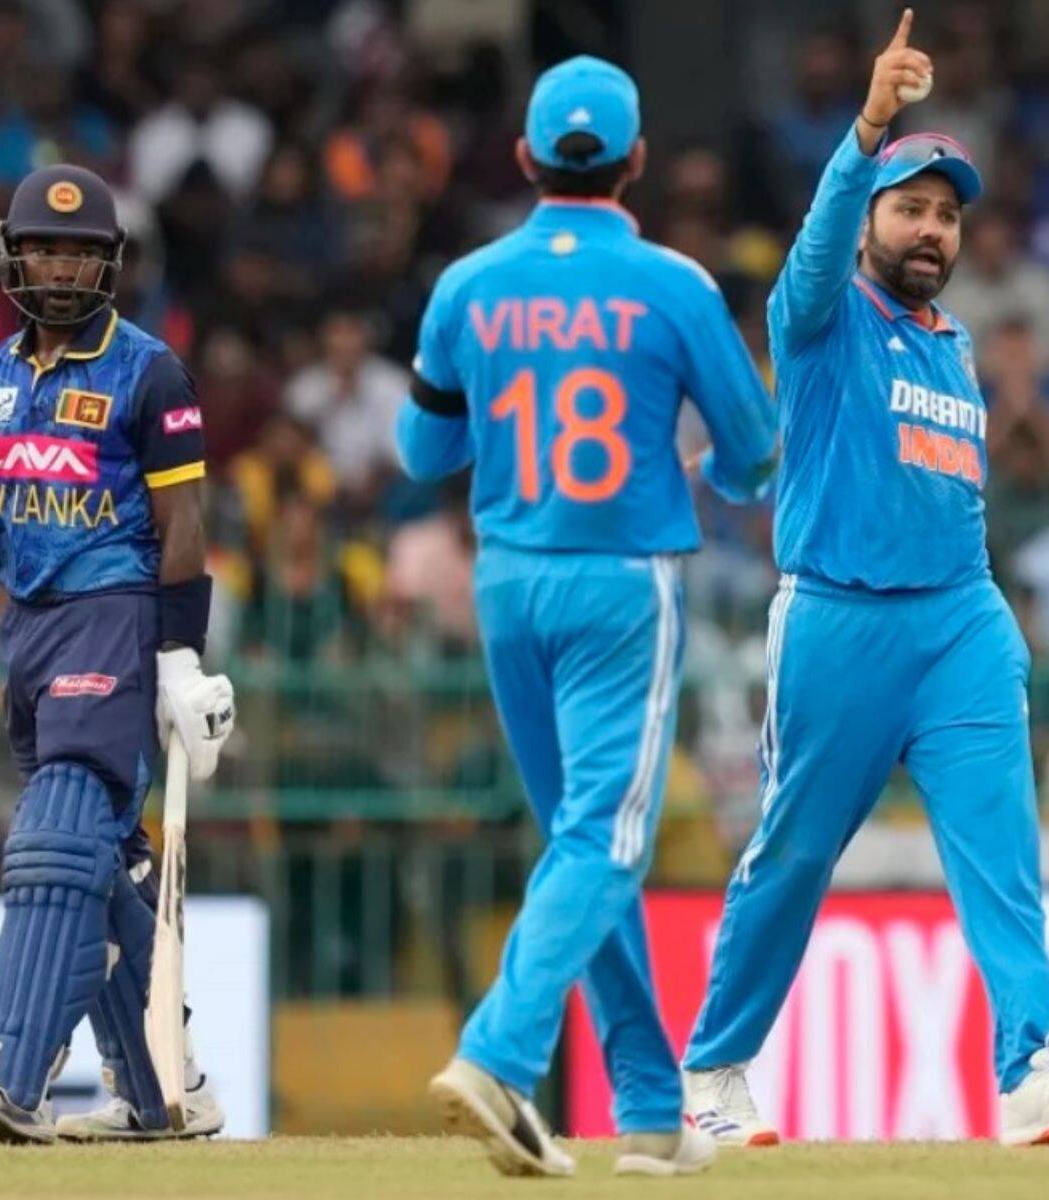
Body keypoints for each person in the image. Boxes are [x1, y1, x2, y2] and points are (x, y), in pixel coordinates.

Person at [679, 10, 1049, 1149]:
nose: (932, 228)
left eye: (946, 214)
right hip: (839, 621)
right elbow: (819, 245)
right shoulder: (822, 318)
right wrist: (870, 129)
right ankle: (714, 1071)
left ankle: (1033, 1064)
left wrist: (985, 618)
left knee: (1003, 852)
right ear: (874, 218)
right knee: (792, 855)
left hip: (960, 624)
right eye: (911, 207)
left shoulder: (953, 345)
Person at [395, 57, 777, 1179]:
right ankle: (499, 1052)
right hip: (622, 582)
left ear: (523, 160)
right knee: (606, 845)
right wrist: (702, 462)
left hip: (507, 583)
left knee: (582, 842)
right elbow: (754, 456)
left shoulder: (466, 285)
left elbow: (424, 452)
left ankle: (651, 1106)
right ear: (638, 162)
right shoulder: (676, 285)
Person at [0, 164, 235, 1143]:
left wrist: (178, 659)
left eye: (83, 251)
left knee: (52, 835)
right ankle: (164, 1092)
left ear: (112, 264)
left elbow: (185, 525)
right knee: (103, 860)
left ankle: (9, 1069)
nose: (64, 265)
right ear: (14, 256)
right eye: (46, 246)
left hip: (115, 617)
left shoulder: (148, 371)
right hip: (30, 631)